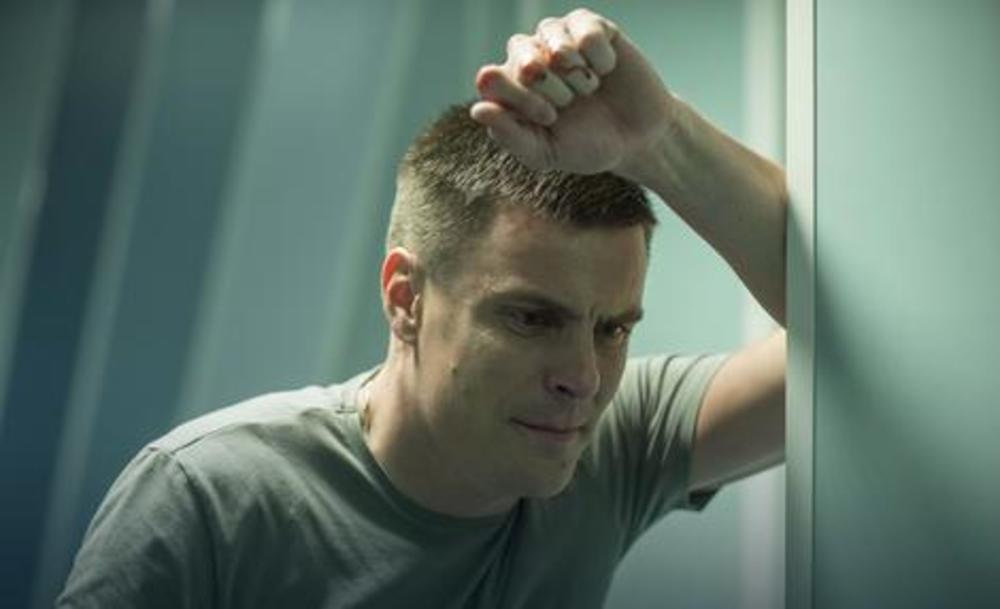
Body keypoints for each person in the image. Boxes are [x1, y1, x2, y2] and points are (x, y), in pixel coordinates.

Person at [58, 8, 786, 608]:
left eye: (612, 327)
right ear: (406, 299)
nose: (585, 378)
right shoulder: (206, 500)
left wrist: (660, 141)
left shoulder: (610, 448)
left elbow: (843, 339)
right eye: (531, 318)